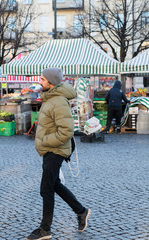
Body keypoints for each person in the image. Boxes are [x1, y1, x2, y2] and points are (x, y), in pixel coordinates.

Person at [26, 67, 91, 240]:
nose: (40, 81)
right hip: (50, 150)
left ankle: (44, 230)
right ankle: (81, 211)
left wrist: (45, 141)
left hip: (55, 150)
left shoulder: (58, 101)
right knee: (54, 184)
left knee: (45, 189)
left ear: (51, 82)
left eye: (42, 79)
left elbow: (67, 131)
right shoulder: (50, 98)